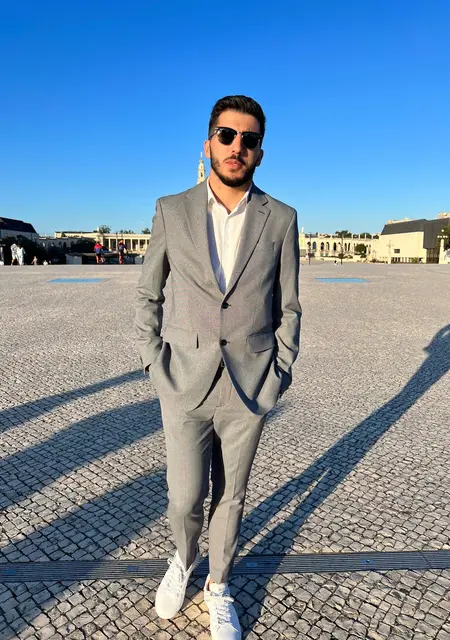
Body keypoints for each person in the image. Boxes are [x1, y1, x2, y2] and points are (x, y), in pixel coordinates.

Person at [135, 95, 301, 640]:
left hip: (249, 384)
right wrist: (154, 364)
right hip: (184, 379)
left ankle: (219, 583)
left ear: (260, 152)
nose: (237, 147)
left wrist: (279, 373)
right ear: (208, 144)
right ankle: (183, 560)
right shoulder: (171, 209)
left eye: (249, 139)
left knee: (232, 496)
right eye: (227, 136)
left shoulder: (281, 218)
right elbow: (149, 294)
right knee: (185, 496)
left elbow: (289, 306)